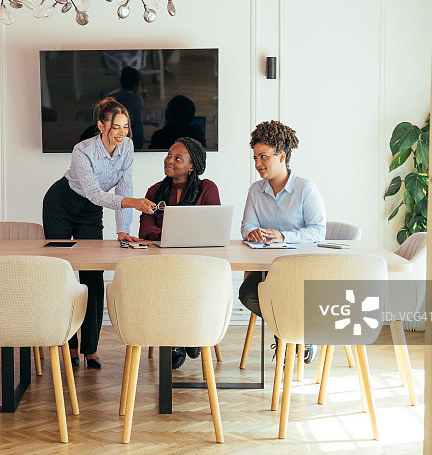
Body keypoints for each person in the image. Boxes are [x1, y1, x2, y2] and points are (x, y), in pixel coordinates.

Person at [42, 98, 155, 369]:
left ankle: (90, 348)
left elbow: (124, 187)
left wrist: (122, 230)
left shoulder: (127, 147)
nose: (121, 133)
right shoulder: (82, 150)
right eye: (116, 127)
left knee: (92, 275)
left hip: (90, 212)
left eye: (126, 127)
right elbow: (94, 193)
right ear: (101, 126)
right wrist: (131, 202)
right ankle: (69, 344)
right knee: (64, 272)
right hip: (62, 204)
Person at [238, 120, 326, 363]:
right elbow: (246, 225)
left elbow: (318, 231)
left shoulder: (306, 189)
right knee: (247, 295)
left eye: (263, 157)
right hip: (268, 267)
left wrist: (284, 236)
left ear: (282, 156)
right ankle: (290, 332)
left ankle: (297, 335)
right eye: (255, 157)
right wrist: (252, 232)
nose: (258, 164)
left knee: (281, 296)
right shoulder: (256, 191)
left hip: (302, 268)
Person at [138, 137, 220, 368]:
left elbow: (212, 228)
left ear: (192, 165)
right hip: (163, 262)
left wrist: (164, 232)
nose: (169, 161)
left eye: (177, 158)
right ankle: (186, 335)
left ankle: (185, 335)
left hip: (197, 263)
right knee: (171, 280)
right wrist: (182, 232)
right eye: (168, 155)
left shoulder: (207, 188)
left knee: (188, 279)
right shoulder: (154, 191)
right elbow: (145, 230)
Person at [112, 66, 145, 149]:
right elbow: (137, 127)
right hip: (127, 143)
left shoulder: (112, 98)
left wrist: (147, 122)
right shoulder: (136, 99)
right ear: (138, 84)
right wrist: (139, 146)